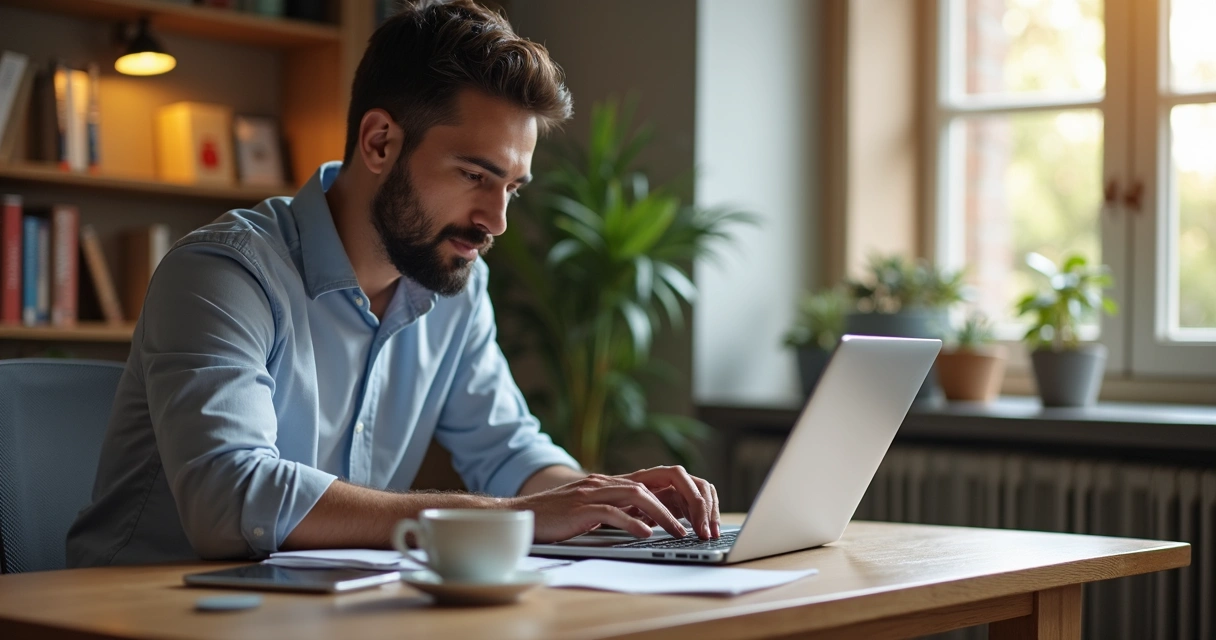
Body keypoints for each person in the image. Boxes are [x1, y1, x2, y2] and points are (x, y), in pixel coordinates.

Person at [66, 0, 719, 567]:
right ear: (378, 143)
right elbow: (231, 497)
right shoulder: (221, 274)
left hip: (320, 612)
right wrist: (509, 516)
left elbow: (509, 453)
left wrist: (600, 505)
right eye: (473, 175)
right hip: (144, 611)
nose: (496, 220)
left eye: (511, 188)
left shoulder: (456, 286)